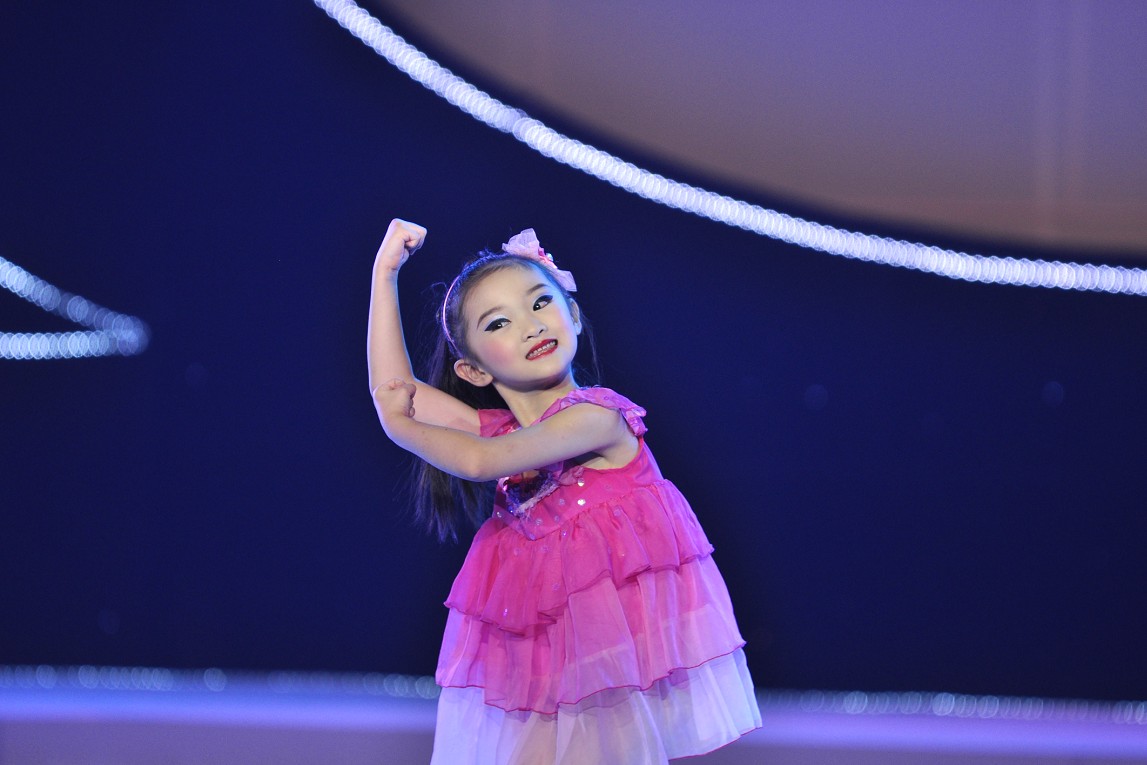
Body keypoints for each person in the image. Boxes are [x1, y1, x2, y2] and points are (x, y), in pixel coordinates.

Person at [368, 219, 761, 764]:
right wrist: (384, 273)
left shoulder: (597, 417)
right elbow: (394, 392)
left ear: (572, 314)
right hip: (542, 663)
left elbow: (477, 461)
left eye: (540, 303)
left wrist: (399, 427)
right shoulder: (505, 432)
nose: (531, 327)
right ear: (473, 371)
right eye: (500, 322)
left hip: (610, 657)